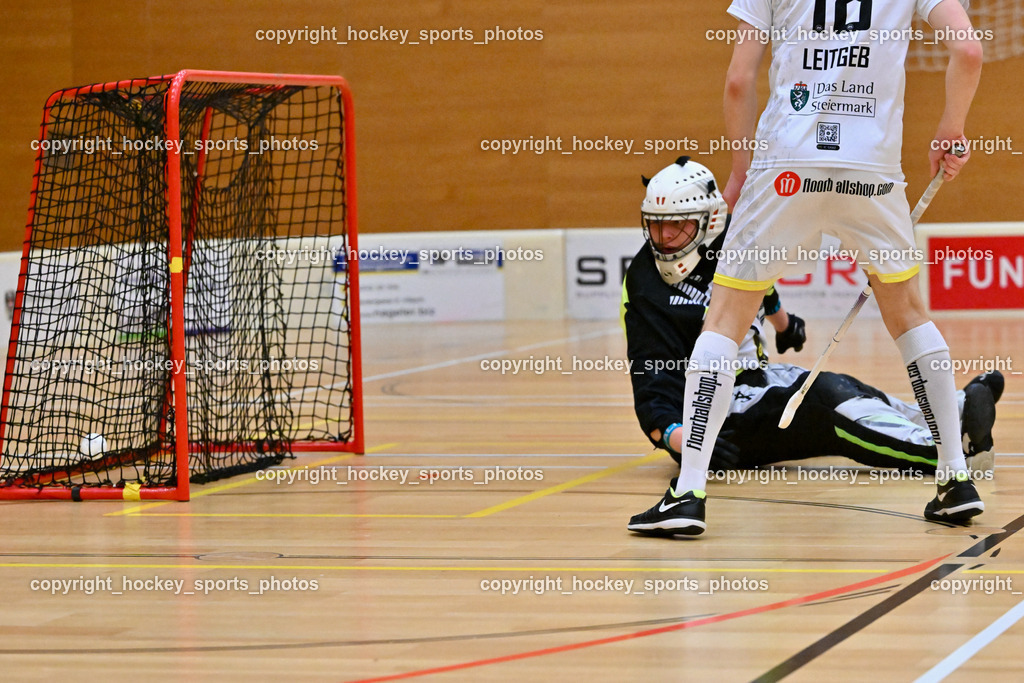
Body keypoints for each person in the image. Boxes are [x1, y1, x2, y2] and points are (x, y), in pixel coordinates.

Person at [629, 0, 986, 535]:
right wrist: (950, 131)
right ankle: (955, 478)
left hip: (786, 168)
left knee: (724, 320)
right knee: (909, 314)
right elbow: (968, 50)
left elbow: (737, 81)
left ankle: (689, 493)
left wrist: (741, 170)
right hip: (873, 171)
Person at [623, 159, 1000, 524]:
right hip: (712, 417)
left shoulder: (730, 240)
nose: (665, 238)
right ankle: (948, 455)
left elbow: (758, 286)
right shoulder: (644, 285)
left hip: (755, 377)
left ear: (709, 223)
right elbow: (650, 385)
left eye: (678, 226)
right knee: (825, 403)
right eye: (656, 228)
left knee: (842, 384)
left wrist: (784, 324)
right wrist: (679, 438)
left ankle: (956, 412)